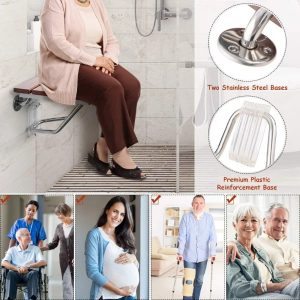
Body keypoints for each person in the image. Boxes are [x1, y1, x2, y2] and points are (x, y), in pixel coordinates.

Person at [39, 0, 145, 180]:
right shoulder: (56, 2)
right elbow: (55, 42)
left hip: (99, 61)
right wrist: (93, 60)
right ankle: (119, 153)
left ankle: (102, 145)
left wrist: (108, 59)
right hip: (66, 65)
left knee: (131, 85)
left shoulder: (96, 3)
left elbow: (111, 40)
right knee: (111, 88)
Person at [227, 204, 299, 299]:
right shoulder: (232, 250)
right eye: (243, 220)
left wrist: (285, 284)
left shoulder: (259, 250)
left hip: (275, 290)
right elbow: (239, 288)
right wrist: (229, 243)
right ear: (234, 224)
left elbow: (275, 277)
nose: (249, 224)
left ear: (259, 224)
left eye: (254, 220)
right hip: (254, 294)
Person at [85, 196, 139, 299]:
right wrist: (119, 291)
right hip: (110, 296)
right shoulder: (95, 235)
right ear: (107, 210)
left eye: (122, 214)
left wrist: (134, 258)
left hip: (131, 295)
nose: (118, 217)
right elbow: (92, 271)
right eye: (115, 211)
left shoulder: (124, 236)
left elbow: (135, 266)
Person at [177, 195, 217, 300]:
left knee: (199, 280)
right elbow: (182, 237)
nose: (198, 205)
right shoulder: (186, 217)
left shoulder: (209, 218)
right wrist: (180, 253)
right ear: (192, 204)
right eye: (196, 202)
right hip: (188, 255)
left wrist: (213, 253)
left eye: (201, 203)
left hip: (203, 256)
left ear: (204, 205)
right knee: (189, 280)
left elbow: (213, 237)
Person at [1, 228, 47, 300]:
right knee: (10, 274)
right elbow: (4, 262)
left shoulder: (35, 249)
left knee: (34, 273)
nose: (30, 236)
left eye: (29, 235)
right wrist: (17, 268)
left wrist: (28, 266)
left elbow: (43, 262)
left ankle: (32, 298)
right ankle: (9, 298)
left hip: (30, 273)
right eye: (27, 235)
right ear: (19, 238)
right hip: (16, 273)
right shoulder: (12, 250)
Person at [40, 203, 74, 300]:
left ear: (67, 213)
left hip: (76, 259)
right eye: (57, 214)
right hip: (64, 260)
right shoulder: (59, 227)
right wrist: (41, 248)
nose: (59, 216)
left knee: (75, 283)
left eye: (60, 213)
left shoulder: (76, 224)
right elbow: (54, 243)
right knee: (66, 283)